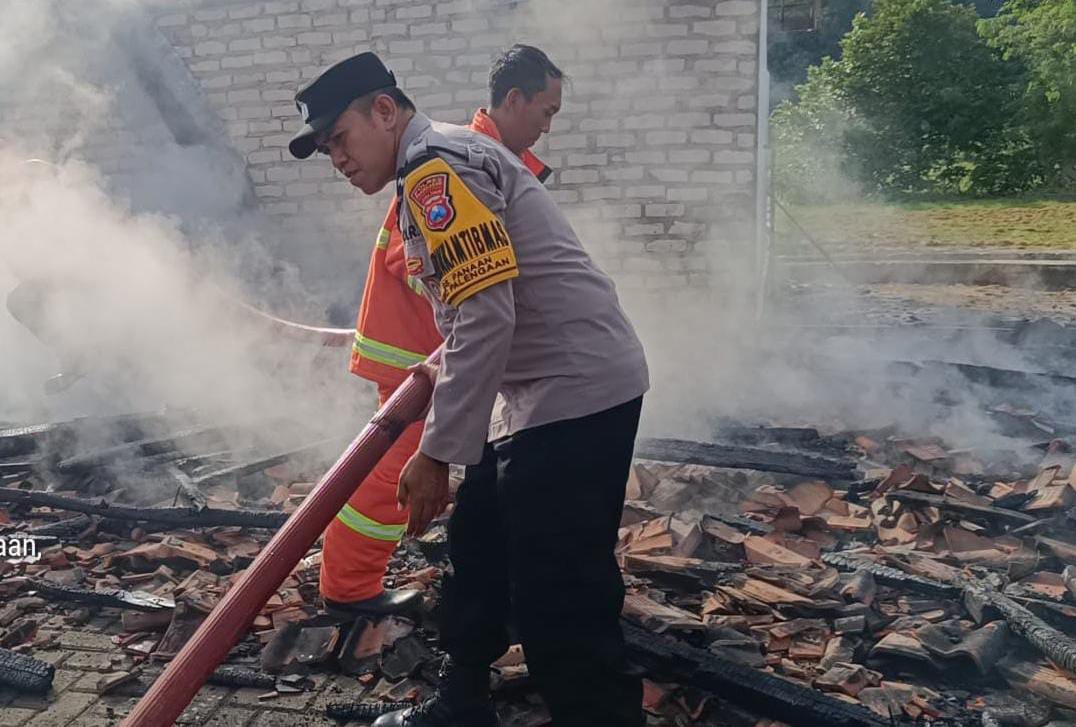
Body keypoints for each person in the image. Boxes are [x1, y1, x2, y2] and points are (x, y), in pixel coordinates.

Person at [289, 51, 649, 727]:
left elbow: (486, 315)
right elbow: (469, 312)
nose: (336, 159)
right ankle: (462, 705)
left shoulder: (436, 170)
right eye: (326, 150)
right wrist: (433, 372)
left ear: (385, 111)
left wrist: (435, 453)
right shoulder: (430, 165)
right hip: (535, 395)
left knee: (561, 597)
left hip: (574, 396)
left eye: (339, 138)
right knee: (478, 543)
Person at [318, 45, 564, 617]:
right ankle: (349, 589)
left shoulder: (462, 154)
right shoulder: (449, 162)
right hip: (416, 358)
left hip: (438, 358)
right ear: (514, 100)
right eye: (545, 111)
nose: (548, 126)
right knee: (388, 477)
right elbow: (425, 265)